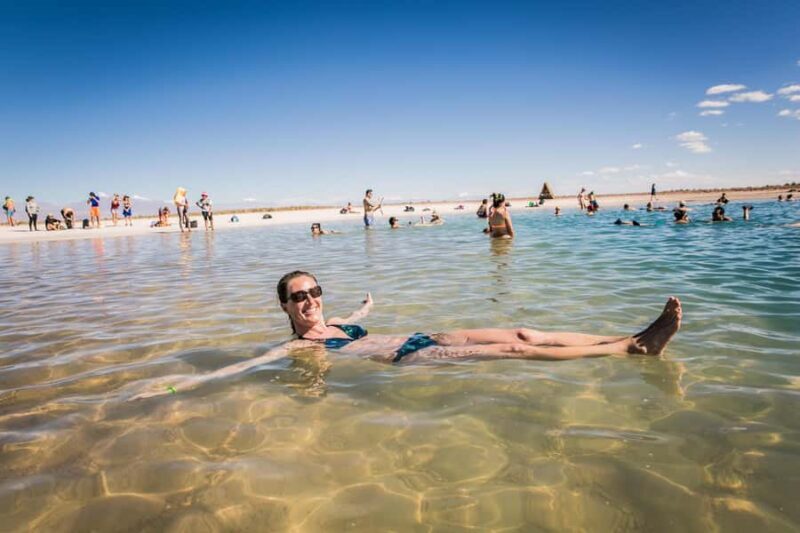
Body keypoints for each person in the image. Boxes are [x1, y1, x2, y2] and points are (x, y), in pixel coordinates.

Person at [132, 272, 682, 399]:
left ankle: (623, 335)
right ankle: (634, 348)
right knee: (513, 350)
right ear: (284, 305)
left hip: (425, 332)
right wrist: (173, 388)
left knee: (522, 328)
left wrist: (367, 305)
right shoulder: (296, 346)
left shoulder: (337, 322)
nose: (310, 299)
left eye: (314, 290)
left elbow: (352, 310)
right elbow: (238, 369)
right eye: (298, 296)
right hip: (408, 358)